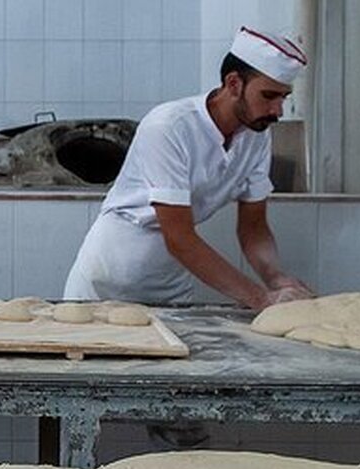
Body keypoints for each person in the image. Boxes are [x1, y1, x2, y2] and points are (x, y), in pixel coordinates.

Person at [64, 26, 313, 310]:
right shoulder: (169, 127)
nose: (278, 111)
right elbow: (179, 237)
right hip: (112, 275)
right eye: (269, 96)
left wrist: (276, 279)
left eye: (284, 97)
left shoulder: (256, 136)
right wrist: (259, 299)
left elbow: (253, 227)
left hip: (171, 277)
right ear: (233, 84)